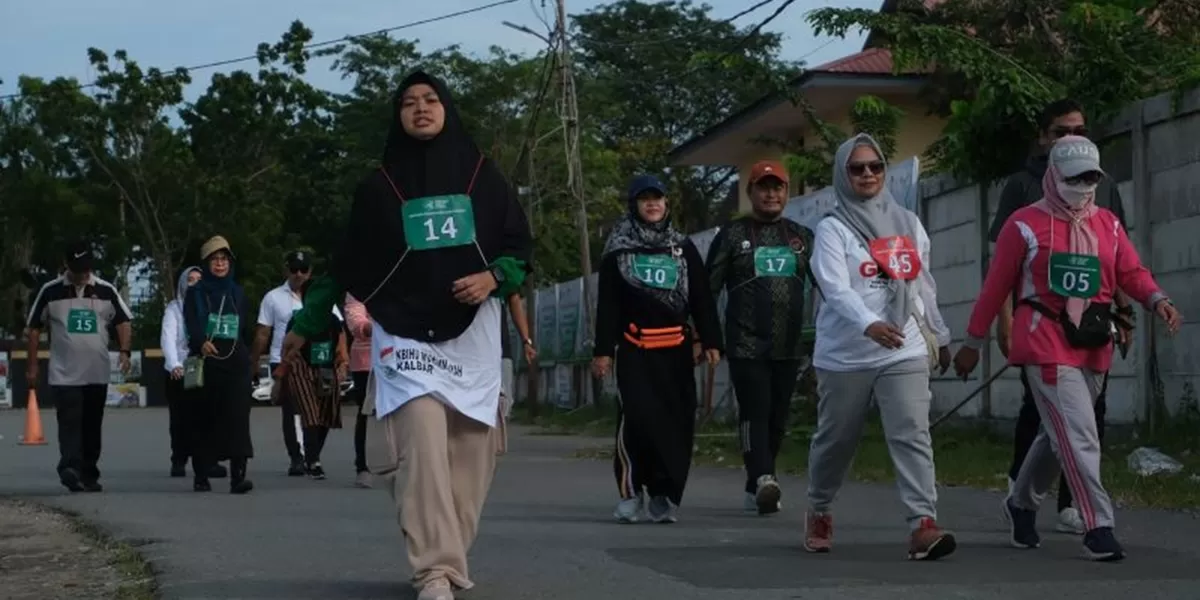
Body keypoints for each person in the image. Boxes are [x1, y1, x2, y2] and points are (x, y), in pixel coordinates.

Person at [282, 71, 533, 600]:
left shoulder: (485, 177)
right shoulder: (377, 187)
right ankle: (433, 569)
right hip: (404, 334)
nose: (420, 108)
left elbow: (519, 251)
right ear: (397, 116)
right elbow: (344, 265)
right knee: (421, 448)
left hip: (473, 335)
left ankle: (450, 552)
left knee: (470, 456)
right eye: (409, 102)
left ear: (448, 109)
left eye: (431, 100)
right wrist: (304, 325)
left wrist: (494, 277)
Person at [953, 135, 1182, 562]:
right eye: (1075, 177)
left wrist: (1157, 300)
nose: (1083, 185)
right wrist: (973, 342)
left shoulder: (1108, 224)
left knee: (1054, 433)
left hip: (1093, 340)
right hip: (1043, 340)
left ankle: (1020, 503)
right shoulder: (1022, 225)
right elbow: (995, 286)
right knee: (1079, 435)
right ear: (1054, 174)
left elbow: (1130, 271)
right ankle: (1099, 525)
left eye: (1092, 176)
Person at [804, 134, 955, 560]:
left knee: (912, 431)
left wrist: (940, 336)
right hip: (845, 354)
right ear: (843, 174)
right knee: (836, 440)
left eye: (875, 166)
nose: (867, 174)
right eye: (857, 168)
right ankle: (819, 506)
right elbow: (835, 288)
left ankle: (922, 524)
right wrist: (868, 324)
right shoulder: (833, 228)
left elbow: (922, 285)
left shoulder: (908, 222)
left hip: (902, 347)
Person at [988, 99, 1133, 535]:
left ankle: (1053, 500)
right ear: (1043, 138)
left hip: (1093, 325)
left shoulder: (1102, 186)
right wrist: (1004, 320)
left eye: (1080, 131)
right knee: (1043, 414)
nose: (1071, 138)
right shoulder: (1022, 187)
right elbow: (1002, 266)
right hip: (1042, 327)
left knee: (1089, 414)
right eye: (1060, 131)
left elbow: (1119, 259)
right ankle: (1089, 520)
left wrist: (1125, 313)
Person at [591, 174, 723, 525]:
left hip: (676, 353)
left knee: (675, 423)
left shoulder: (682, 247)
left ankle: (664, 494)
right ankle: (631, 492)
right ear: (633, 205)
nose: (652, 204)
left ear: (667, 203)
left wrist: (710, 339)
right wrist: (602, 351)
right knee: (637, 420)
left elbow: (701, 298)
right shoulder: (618, 249)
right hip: (635, 350)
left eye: (658, 198)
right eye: (644, 198)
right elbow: (607, 306)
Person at [706, 159, 813, 515]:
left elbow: (832, 285)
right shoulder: (733, 235)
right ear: (750, 192)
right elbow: (709, 289)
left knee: (778, 417)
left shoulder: (801, 237)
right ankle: (765, 477)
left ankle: (757, 486)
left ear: (786, 192)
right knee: (756, 410)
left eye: (777, 187)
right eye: (763, 187)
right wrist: (704, 337)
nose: (771, 193)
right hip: (746, 344)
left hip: (788, 346)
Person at [25, 241, 133, 493]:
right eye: (77, 270)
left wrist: (125, 350)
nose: (82, 275)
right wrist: (32, 364)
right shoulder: (50, 291)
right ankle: (69, 468)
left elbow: (124, 321)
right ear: (66, 266)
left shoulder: (105, 290)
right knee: (70, 421)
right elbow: (33, 328)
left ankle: (89, 473)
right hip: (64, 373)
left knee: (92, 425)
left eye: (86, 269)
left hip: (96, 372)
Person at [250, 250, 342, 476]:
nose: (298, 274)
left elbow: (338, 328)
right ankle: (297, 458)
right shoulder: (273, 297)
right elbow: (263, 332)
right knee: (292, 411)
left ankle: (313, 453)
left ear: (310, 272)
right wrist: (254, 363)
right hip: (285, 360)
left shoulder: (322, 296)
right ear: (286, 270)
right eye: (294, 269)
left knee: (322, 410)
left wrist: (342, 358)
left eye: (303, 270)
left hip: (321, 359)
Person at [183, 236, 255, 494]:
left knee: (238, 417)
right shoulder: (195, 293)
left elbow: (244, 324)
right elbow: (191, 322)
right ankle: (201, 474)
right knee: (204, 418)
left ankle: (238, 476)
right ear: (205, 264)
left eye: (224, 259)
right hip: (207, 360)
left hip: (235, 359)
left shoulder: (237, 291)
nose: (220, 264)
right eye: (214, 259)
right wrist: (201, 341)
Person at [277, 280, 349, 480]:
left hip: (325, 368)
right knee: (310, 413)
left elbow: (341, 343)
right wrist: (282, 373)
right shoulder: (297, 320)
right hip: (302, 367)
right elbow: (288, 348)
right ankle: (313, 461)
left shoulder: (334, 321)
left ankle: (313, 454)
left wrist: (343, 363)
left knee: (326, 414)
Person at [160, 266, 228, 479]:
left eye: (200, 279)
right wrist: (174, 364)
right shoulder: (175, 308)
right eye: (190, 280)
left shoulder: (210, 306)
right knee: (181, 418)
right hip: (182, 367)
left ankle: (209, 461)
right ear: (182, 284)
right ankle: (179, 459)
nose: (195, 284)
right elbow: (168, 338)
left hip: (206, 367)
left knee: (209, 417)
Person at [343, 292, 374, 488]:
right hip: (366, 360)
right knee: (366, 412)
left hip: (401, 357)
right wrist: (372, 327)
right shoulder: (359, 281)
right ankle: (363, 466)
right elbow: (355, 319)